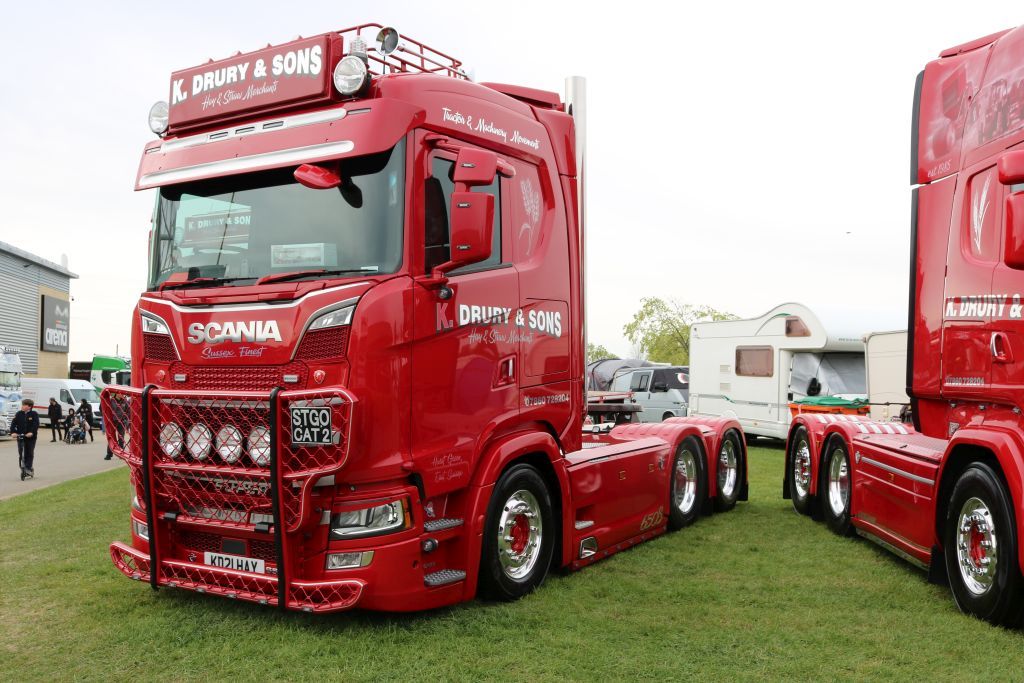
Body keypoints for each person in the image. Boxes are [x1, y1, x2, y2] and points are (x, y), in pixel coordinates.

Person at [10, 398, 39, 480]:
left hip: (30, 438)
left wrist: (32, 432)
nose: (22, 406)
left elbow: (36, 424)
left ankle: (29, 468)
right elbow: (13, 424)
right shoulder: (18, 414)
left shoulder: (34, 414)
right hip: (20, 436)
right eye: (22, 405)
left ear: (29, 406)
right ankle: (23, 467)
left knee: (29, 452)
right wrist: (13, 432)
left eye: (24, 405)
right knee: (21, 453)